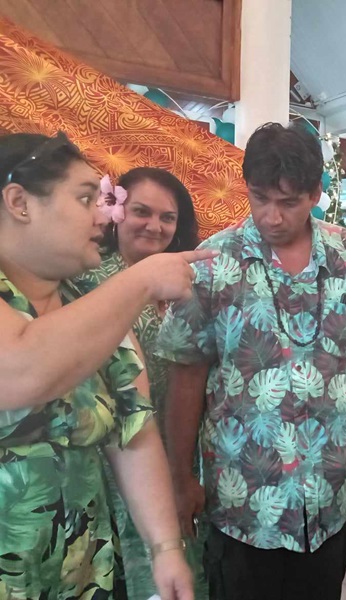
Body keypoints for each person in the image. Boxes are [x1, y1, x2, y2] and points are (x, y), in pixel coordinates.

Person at [157, 122, 346, 600]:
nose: (271, 217)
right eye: (259, 198)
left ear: (315, 194)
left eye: (288, 203)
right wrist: (180, 478)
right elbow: (186, 376)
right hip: (242, 498)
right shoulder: (213, 262)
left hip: (329, 491)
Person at [0, 131, 214, 599]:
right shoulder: (109, 300)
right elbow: (18, 371)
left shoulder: (87, 303)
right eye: (84, 198)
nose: (104, 214)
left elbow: (133, 430)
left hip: (79, 568)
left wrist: (164, 547)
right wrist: (139, 282)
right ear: (19, 202)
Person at [74, 167, 207, 600]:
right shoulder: (89, 283)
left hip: (182, 451)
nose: (155, 226)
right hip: (123, 456)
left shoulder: (184, 281)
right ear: (115, 212)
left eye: (167, 217)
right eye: (142, 212)